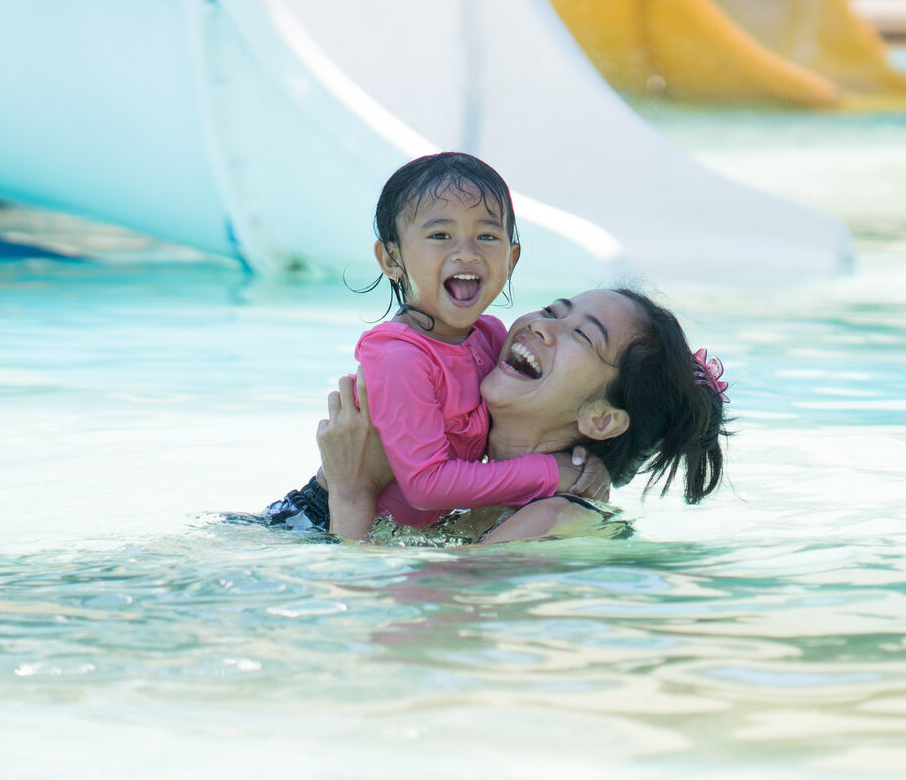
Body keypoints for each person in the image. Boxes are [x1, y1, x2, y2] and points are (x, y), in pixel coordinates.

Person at [263, 152, 604, 533]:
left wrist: (585, 457)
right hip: (316, 522)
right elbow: (427, 487)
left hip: (392, 533)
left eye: (487, 236)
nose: (466, 252)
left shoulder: (492, 337)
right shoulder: (399, 354)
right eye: (440, 235)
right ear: (391, 259)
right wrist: (551, 473)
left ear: (511, 259)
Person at [316, 287, 731, 543]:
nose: (541, 327)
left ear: (601, 419)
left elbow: (378, 617)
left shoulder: (553, 518)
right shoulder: (488, 501)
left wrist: (352, 494)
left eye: (582, 335)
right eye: (552, 311)